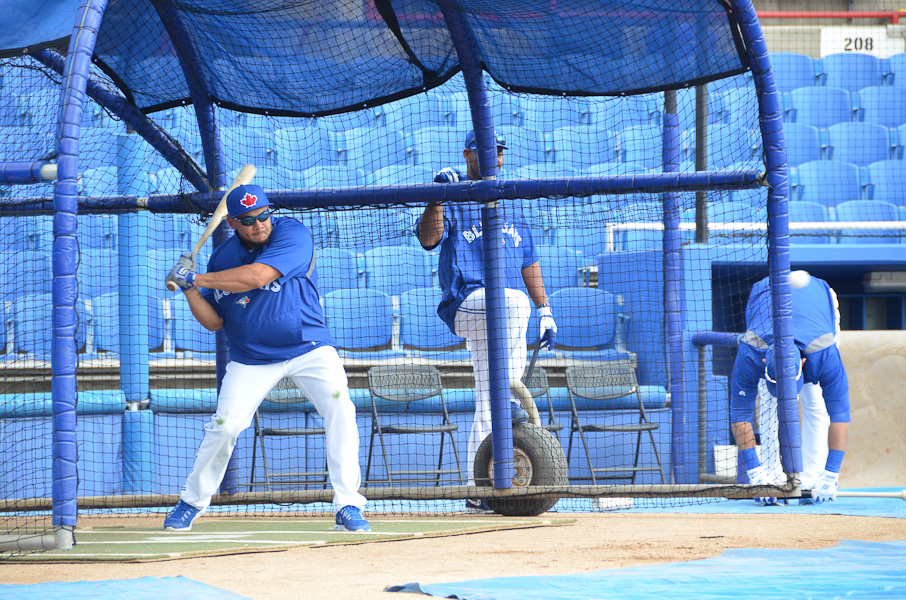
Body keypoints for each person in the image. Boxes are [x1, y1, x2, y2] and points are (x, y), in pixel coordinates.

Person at [163, 184, 369, 532]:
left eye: (263, 215)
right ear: (232, 223)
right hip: (250, 358)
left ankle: (348, 503)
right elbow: (214, 322)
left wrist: (194, 276)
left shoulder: (292, 233)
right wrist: (189, 289)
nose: (259, 225)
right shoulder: (222, 259)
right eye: (249, 220)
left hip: (309, 346)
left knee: (340, 408)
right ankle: (192, 500)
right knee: (225, 427)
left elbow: (258, 276)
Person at [416, 130, 556, 514]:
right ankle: (509, 401)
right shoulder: (456, 194)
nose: (494, 157)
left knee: (487, 393)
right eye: (486, 151)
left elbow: (528, 260)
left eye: (498, 151)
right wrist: (436, 198)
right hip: (466, 303)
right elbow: (428, 240)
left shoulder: (511, 200)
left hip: (505, 316)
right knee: (512, 301)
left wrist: (545, 309)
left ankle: (478, 487)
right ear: (468, 154)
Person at [729, 272, 849, 505]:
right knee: (768, 403)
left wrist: (831, 473)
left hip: (818, 303)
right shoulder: (751, 352)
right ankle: (769, 477)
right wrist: (755, 474)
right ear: (764, 363)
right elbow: (739, 415)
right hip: (766, 296)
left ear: (803, 364)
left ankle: (813, 478)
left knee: (815, 401)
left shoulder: (824, 352)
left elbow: (841, 415)